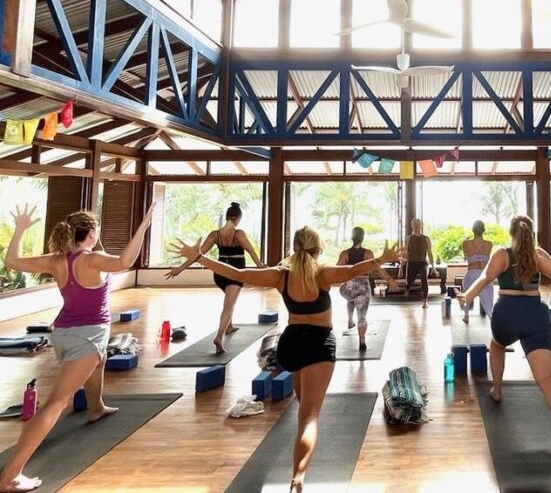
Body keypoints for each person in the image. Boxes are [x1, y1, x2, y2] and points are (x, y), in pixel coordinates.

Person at [169, 227, 400, 493]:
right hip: (318, 344)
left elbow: (238, 274)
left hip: (290, 344)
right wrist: (383, 259)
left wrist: (200, 258)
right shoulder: (322, 274)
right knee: (309, 416)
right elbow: (354, 270)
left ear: (295, 247)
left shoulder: (281, 276)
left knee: (304, 407)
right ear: (318, 249)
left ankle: (301, 459)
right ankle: (298, 478)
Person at [0, 203, 155, 493]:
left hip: (64, 334)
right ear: (92, 233)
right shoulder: (92, 259)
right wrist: (143, 226)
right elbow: (124, 262)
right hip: (87, 336)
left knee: (100, 362)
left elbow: (12, 261)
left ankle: (96, 407)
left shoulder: (58, 260)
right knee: (57, 402)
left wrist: (20, 229)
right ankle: (11, 474)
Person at [458, 216, 551, 471]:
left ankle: (497, 389)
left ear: (511, 233)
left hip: (507, 313)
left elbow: (485, 279)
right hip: (535, 315)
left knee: (497, 345)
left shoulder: (502, 253)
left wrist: (467, 296)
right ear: (531, 233)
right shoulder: (539, 255)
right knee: (546, 379)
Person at [165, 202, 264, 354]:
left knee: (228, 302)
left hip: (219, 273)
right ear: (238, 218)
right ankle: (219, 337)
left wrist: (180, 269)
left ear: (227, 217)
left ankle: (229, 326)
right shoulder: (239, 234)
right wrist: (261, 266)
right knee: (228, 305)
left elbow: (196, 255)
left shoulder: (215, 235)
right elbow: (251, 251)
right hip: (234, 273)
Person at [337, 227, 397, 351]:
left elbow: (337, 269)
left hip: (348, 287)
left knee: (351, 299)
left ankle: (349, 320)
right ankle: (362, 340)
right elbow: (376, 268)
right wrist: (389, 279)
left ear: (352, 237)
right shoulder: (367, 253)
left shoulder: (345, 253)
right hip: (362, 286)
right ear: (363, 238)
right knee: (362, 314)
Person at [461, 220, 494, 322]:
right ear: (483, 230)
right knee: (489, 308)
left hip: (471, 274)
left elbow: (465, 256)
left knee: (466, 296)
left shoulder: (466, 243)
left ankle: (466, 316)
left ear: (473, 230)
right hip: (484, 275)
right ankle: (495, 328)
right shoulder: (489, 244)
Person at [405, 218, 436, 308]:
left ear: (421, 225)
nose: (416, 226)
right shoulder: (408, 239)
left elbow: (430, 253)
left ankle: (425, 301)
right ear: (412, 226)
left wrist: (433, 267)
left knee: (424, 279)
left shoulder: (426, 238)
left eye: (418, 224)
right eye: (414, 224)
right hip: (411, 263)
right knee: (409, 281)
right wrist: (401, 268)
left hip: (423, 263)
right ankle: (407, 289)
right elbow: (405, 253)